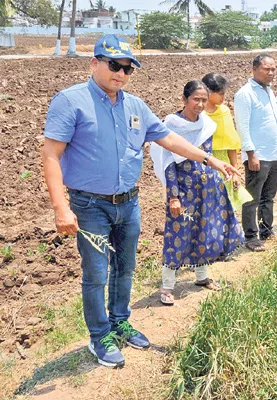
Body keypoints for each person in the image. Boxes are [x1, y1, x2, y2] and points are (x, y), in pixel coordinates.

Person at [41, 35, 240, 368]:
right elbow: (50, 155)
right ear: (95, 63)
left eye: (127, 68)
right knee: (96, 273)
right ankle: (99, 336)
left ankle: (120, 321)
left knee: (125, 268)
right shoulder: (70, 101)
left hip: (128, 203)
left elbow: (169, 139)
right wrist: (61, 207)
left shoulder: (134, 105)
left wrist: (211, 160)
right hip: (90, 204)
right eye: (114, 65)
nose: (120, 73)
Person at [150, 81, 244, 306]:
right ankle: (167, 286)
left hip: (207, 187)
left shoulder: (206, 125)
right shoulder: (171, 126)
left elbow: (208, 155)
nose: (200, 104)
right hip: (183, 191)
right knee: (178, 235)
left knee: (204, 229)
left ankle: (201, 277)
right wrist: (173, 196)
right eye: (196, 99)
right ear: (184, 99)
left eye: (204, 100)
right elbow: (168, 164)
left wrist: (222, 171)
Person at [234, 54, 277, 252]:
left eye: (273, 69)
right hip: (258, 155)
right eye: (266, 69)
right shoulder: (245, 94)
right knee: (252, 198)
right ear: (254, 69)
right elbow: (242, 126)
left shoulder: (269, 92)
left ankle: (265, 229)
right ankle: (251, 236)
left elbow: (275, 121)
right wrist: (250, 154)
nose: (270, 72)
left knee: (269, 196)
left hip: (272, 152)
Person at [202, 73, 253, 209]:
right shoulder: (198, 114)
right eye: (220, 93)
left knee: (225, 205)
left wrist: (235, 171)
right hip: (201, 162)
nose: (223, 98)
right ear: (208, 91)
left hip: (224, 165)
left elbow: (231, 143)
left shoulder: (224, 112)